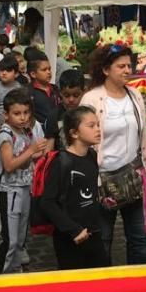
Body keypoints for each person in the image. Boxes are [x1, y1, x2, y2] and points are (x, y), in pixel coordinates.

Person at [80, 45, 146, 266]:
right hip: (103, 180)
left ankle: (137, 286)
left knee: (140, 238)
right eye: (120, 66)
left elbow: (144, 137)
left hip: (133, 177)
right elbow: (83, 142)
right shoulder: (92, 99)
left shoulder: (135, 96)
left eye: (129, 66)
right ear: (106, 70)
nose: (127, 70)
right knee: (103, 238)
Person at [40, 106, 110, 270]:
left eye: (98, 125)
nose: (98, 130)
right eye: (91, 126)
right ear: (74, 133)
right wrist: (73, 230)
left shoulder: (92, 155)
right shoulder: (61, 162)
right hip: (70, 237)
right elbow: (47, 202)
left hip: (94, 231)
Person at [0, 89, 47, 273]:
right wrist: (31, 151)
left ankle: (15, 271)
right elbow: (9, 165)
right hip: (10, 190)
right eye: (17, 114)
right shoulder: (5, 135)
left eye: (26, 113)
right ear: (6, 115)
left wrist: (39, 152)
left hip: (25, 187)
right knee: (10, 239)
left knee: (21, 235)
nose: (23, 118)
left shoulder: (25, 132)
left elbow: (27, 158)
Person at [28, 54, 61, 138]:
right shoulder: (28, 92)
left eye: (49, 69)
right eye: (44, 70)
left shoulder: (55, 89)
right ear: (33, 74)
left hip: (57, 131)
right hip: (39, 135)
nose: (49, 72)